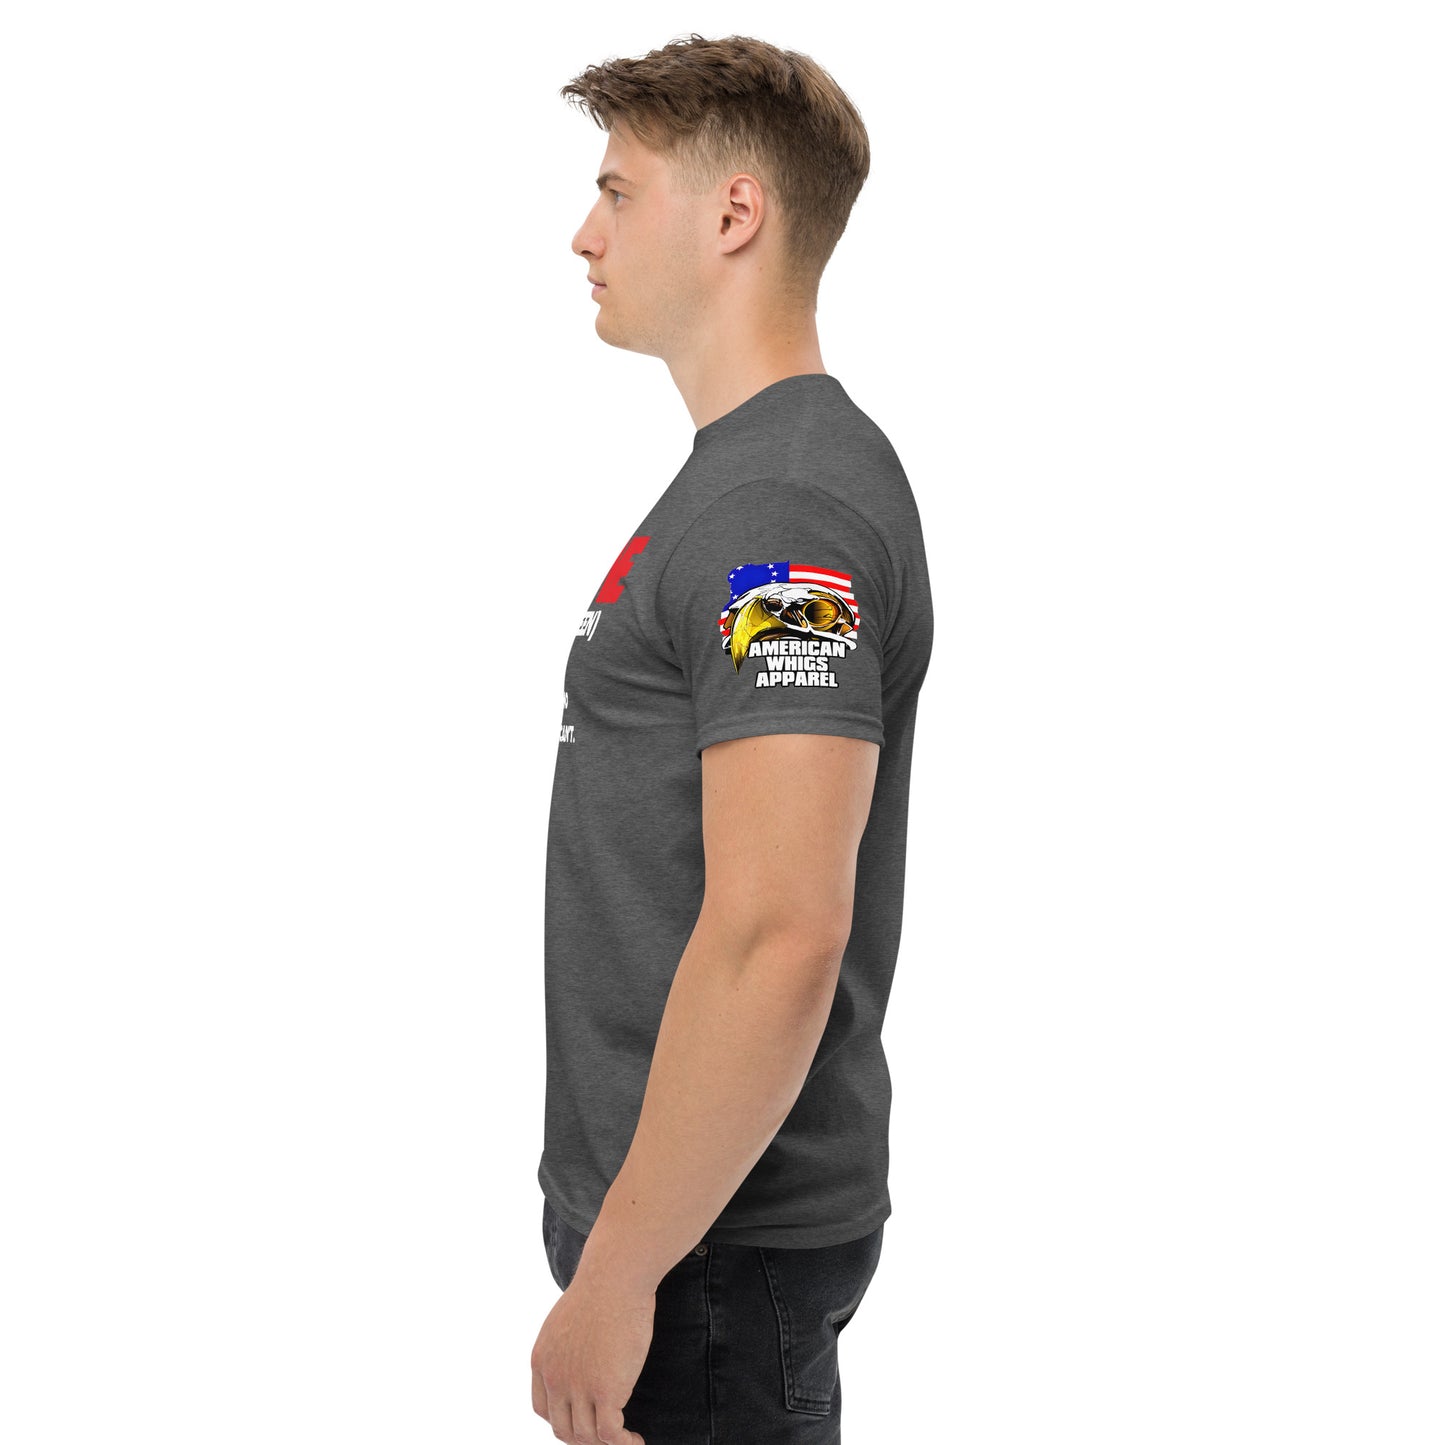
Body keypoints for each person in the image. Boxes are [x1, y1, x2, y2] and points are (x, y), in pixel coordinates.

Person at [530, 33, 933, 1445]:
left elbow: (779, 933)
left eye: (617, 192)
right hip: (693, 1242)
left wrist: (621, 1272)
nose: (584, 235)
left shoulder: (780, 517)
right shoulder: (748, 483)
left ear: (734, 214)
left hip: (708, 1258)